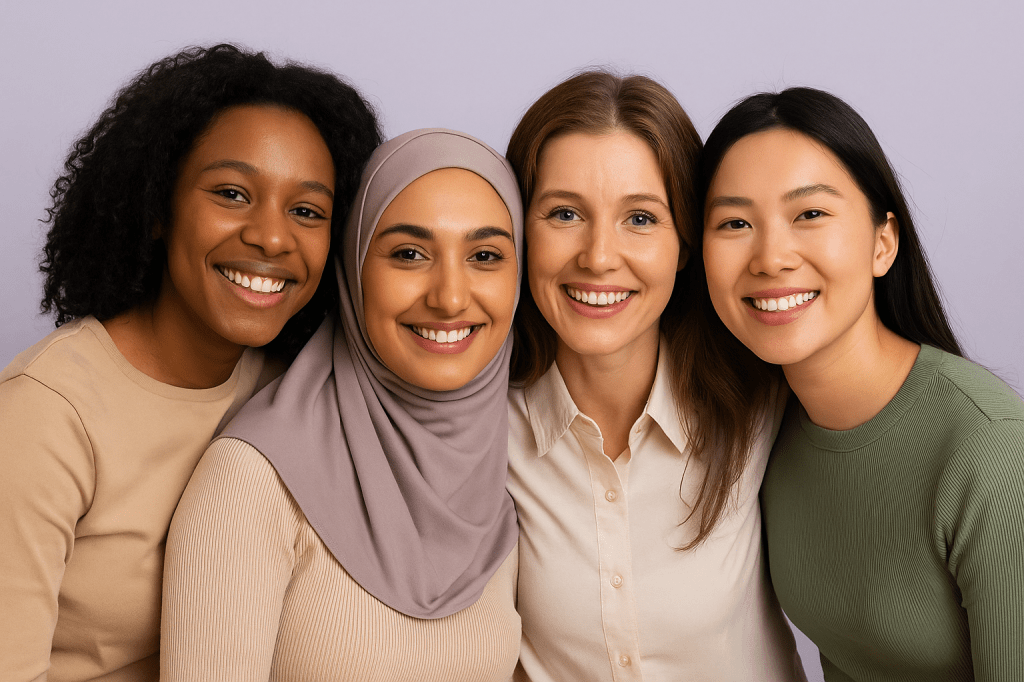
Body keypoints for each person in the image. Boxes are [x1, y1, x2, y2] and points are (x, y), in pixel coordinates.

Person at [0, 44, 380, 682]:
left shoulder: (292, 389)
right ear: (156, 208)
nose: (272, 237)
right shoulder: (45, 413)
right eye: (232, 194)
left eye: (307, 211)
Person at [161, 129, 523, 681]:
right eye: (409, 254)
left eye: (485, 255)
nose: (450, 296)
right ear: (352, 272)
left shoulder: (507, 461)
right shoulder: (251, 480)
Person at [700, 86, 1024, 681]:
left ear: (883, 243)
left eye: (810, 214)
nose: (771, 257)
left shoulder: (993, 449)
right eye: (734, 222)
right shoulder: (766, 430)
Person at [504, 70, 805, 681]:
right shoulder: (481, 428)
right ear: (518, 232)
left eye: (640, 219)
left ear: (685, 245)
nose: (598, 256)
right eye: (564, 213)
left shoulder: (766, 399)